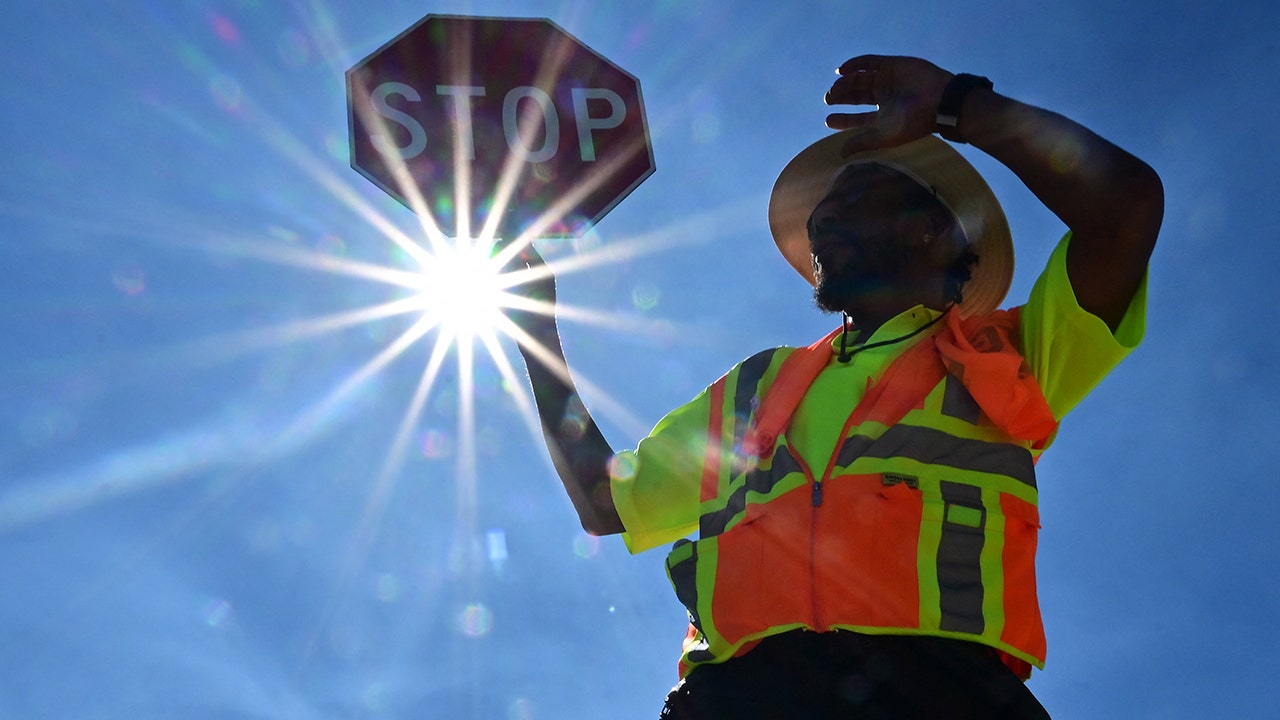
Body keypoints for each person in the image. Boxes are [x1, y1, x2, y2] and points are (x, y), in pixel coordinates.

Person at [509, 55, 1162, 719]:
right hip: (735, 700)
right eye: (823, 211)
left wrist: (956, 104)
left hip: (945, 696)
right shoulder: (758, 386)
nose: (821, 221)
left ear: (934, 231)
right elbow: (606, 501)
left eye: (853, 201)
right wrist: (537, 332)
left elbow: (1126, 208)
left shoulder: (1010, 354)